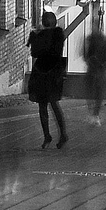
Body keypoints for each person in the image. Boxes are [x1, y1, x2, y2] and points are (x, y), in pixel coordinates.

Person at [28, 11, 68, 149]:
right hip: (51, 71)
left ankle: (50, 135)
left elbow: (37, 52)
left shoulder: (52, 34)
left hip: (44, 70)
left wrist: (37, 37)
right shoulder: (57, 34)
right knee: (50, 103)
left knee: (45, 104)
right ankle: (58, 134)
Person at [84, 22, 106, 126]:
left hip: (96, 68)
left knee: (94, 91)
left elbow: (86, 53)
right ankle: (94, 114)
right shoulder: (100, 39)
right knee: (95, 91)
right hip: (97, 68)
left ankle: (94, 114)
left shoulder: (92, 39)